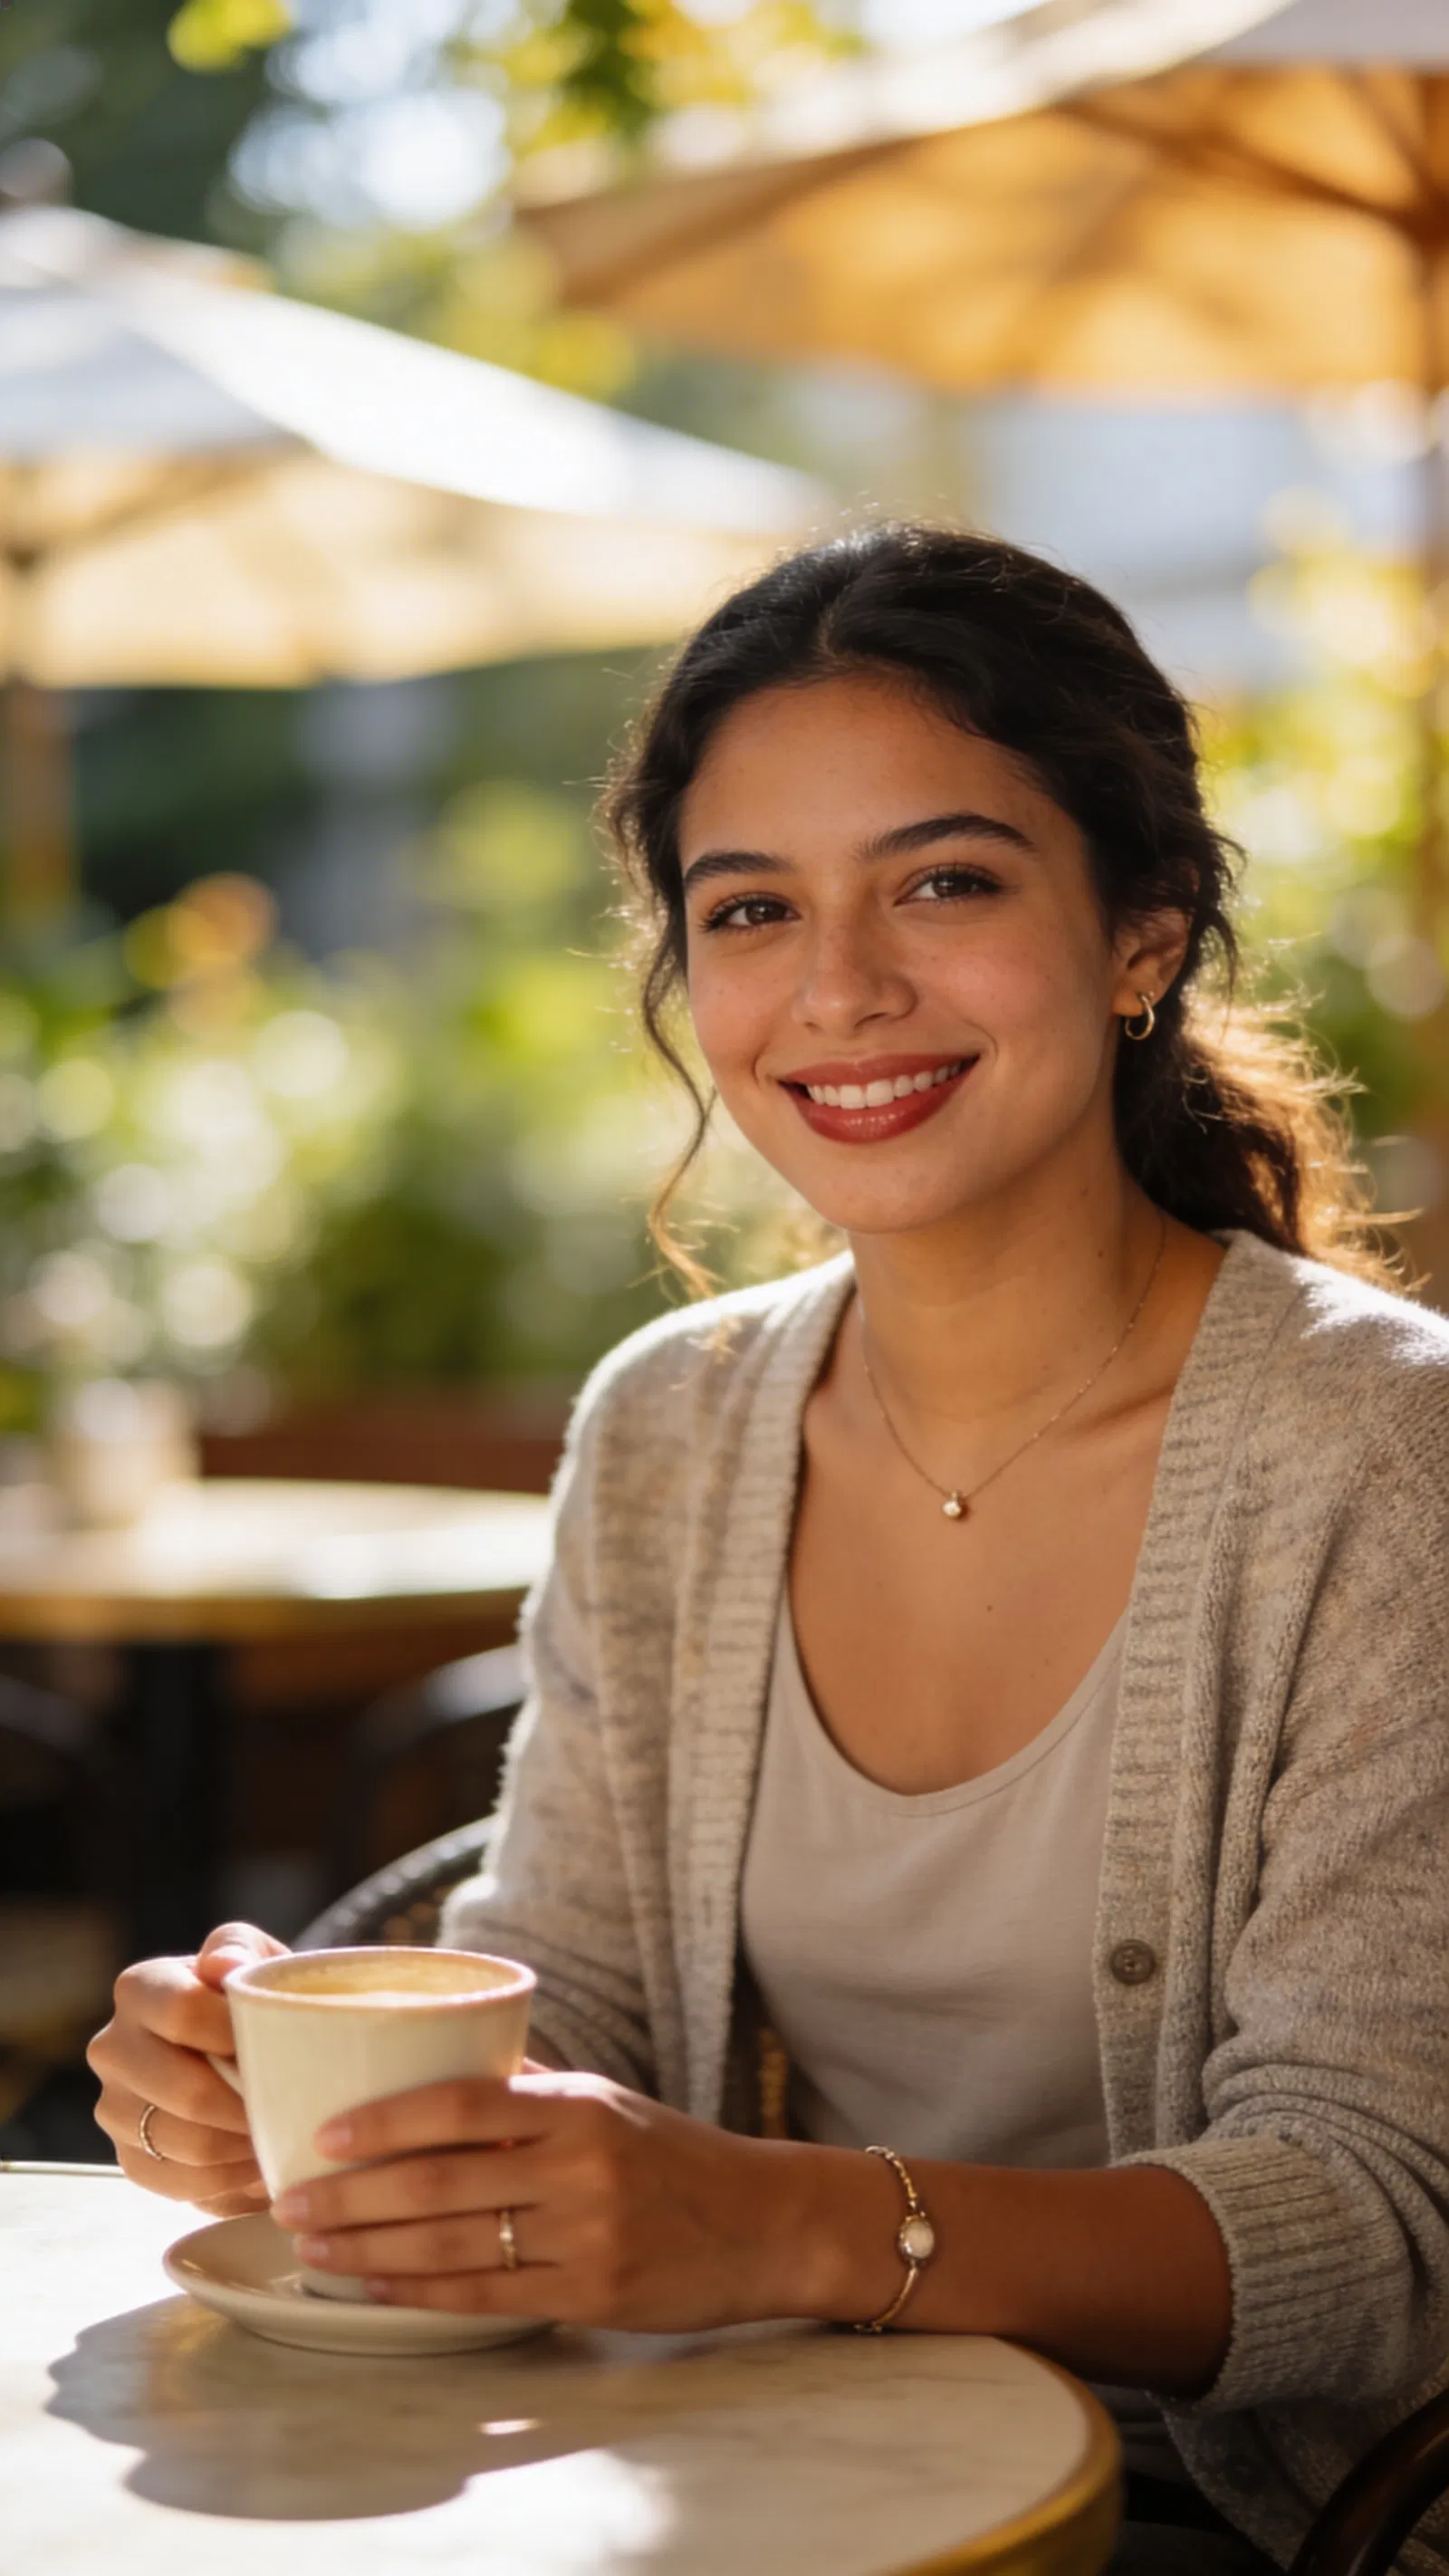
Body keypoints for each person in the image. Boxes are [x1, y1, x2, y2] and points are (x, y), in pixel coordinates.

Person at [90, 526, 1449, 2574]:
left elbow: (1375, 2230)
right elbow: (591, 2021)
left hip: (1238, 2527)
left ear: (1140, 935)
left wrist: (786, 2226)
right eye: (751, 909)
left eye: (945, 881)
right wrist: (332, 2089)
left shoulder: (1384, 1453)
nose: (838, 989)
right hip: (733, 2463)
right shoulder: (672, 1424)